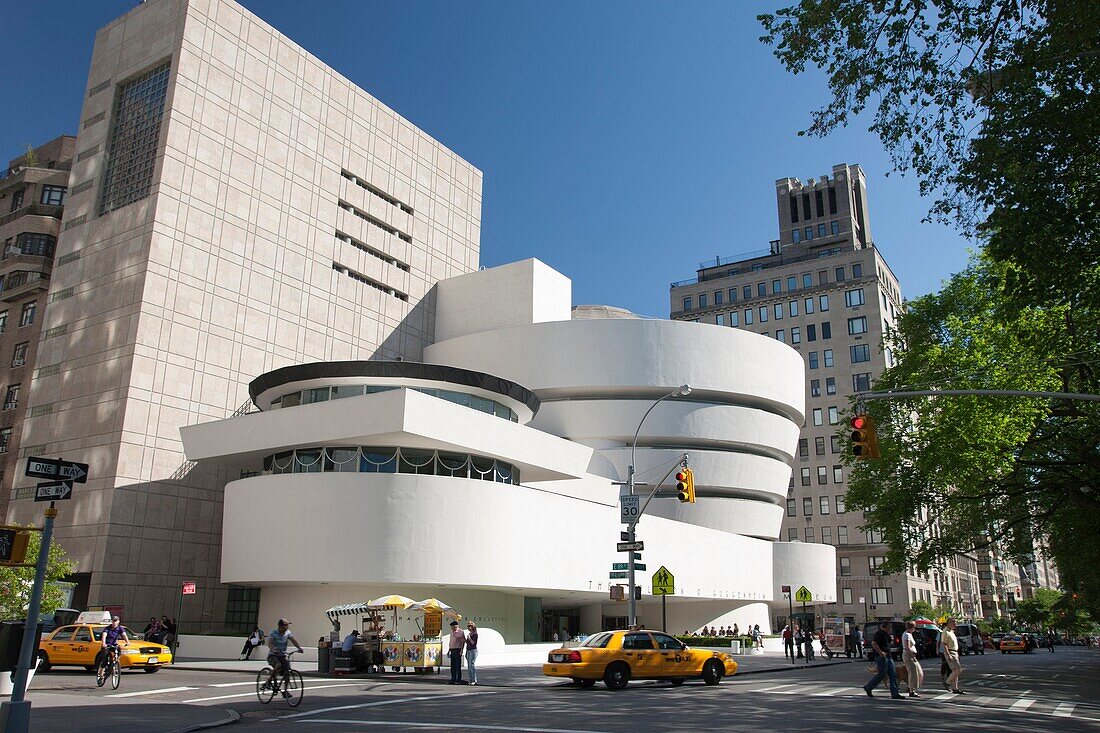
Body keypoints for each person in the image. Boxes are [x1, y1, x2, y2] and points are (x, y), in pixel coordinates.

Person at [862, 620, 902, 699]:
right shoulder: (879, 633)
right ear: (886, 626)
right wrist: (880, 652)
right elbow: (874, 643)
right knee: (882, 674)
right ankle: (868, 687)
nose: (890, 629)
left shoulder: (886, 634)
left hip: (888, 656)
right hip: (882, 656)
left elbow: (888, 643)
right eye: (889, 627)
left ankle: (895, 693)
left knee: (893, 674)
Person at [266, 618, 304, 697]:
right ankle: (269, 681)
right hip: (273, 655)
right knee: (278, 665)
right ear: (281, 626)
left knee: (287, 672)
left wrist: (299, 648)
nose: (287, 627)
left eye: (287, 625)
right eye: (286, 625)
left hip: (282, 655)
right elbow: (270, 643)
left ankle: (286, 691)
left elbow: (293, 640)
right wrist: (273, 650)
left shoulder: (288, 633)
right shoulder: (273, 633)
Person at [941, 618, 964, 694]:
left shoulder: (951, 632)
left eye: (955, 622)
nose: (955, 624)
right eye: (953, 622)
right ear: (948, 623)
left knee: (955, 671)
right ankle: (947, 682)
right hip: (950, 652)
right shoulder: (945, 631)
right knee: (958, 669)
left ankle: (955, 688)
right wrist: (948, 655)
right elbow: (944, 644)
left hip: (955, 652)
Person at [901, 621, 923, 698]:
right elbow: (907, 647)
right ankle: (911, 690)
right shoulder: (906, 635)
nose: (915, 628)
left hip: (911, 655)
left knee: (919, 672)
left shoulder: (909, 634)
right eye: (914, 626)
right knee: (912, 672)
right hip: (908, 655)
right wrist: (912, 656)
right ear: (912, 627)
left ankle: (911, 687)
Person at [447, 620, 467, 684]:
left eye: (452, 627)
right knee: (453, 665)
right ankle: (453, 679)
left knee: (457, 665)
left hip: (457, 649)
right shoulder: (452, 632)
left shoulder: (460, 632)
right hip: (452, 649)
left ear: (455, 626)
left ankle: (458, 679)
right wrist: (449, 650)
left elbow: (463, 641)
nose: (451, 628)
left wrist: (461, 650)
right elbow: (451, 642)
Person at [466, 621, 479, 686]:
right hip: (468, 650)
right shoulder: (469, 634)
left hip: (473, 650)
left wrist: (469, 638)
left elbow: (474, 643)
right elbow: (467, 643)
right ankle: (471, 679)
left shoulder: (475, 634)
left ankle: (474, 680)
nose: (468, 627)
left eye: (470, 626)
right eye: (468, 626)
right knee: (469, 666)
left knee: (471, 665)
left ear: (473, 627)